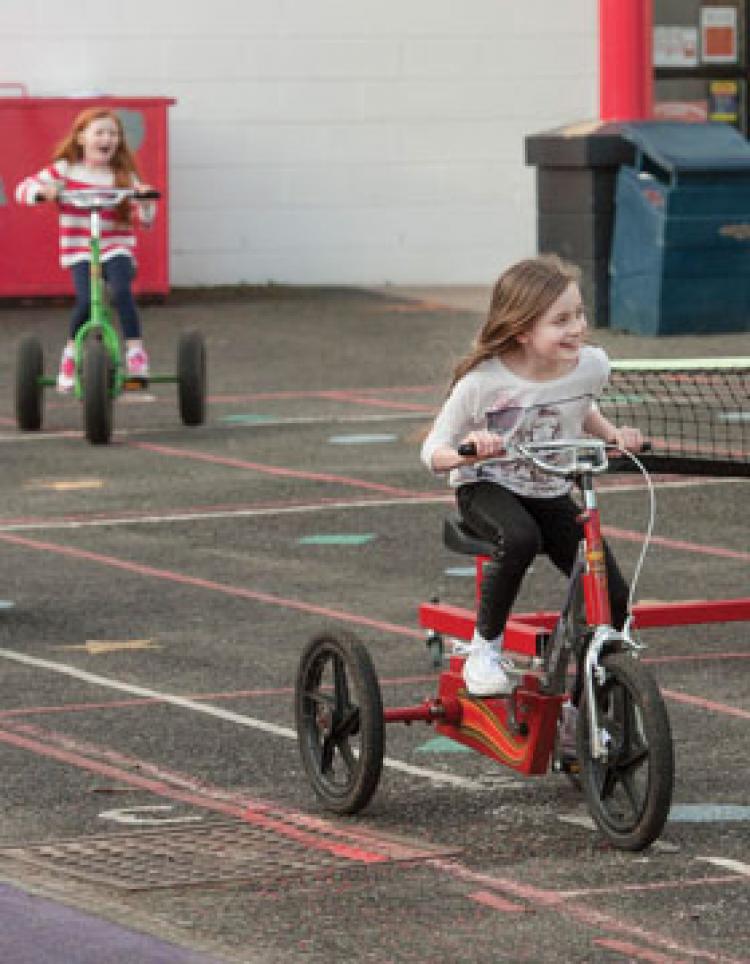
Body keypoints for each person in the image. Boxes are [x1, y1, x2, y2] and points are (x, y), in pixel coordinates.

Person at [421, 254, 642, 698]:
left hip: (548, 485)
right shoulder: (483, 383)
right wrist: (468, 452)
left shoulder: (591, 366)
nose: (577, 328)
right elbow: (432, 451)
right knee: (519, 538)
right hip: (487, 485)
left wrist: (613, 434)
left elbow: (581, 406)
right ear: (522, 330)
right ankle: (485, 650)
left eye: (579, 314)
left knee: (614, 597)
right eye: (560, 321)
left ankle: (587, 697)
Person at [15, 107, 157, 391]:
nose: (108, 139)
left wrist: (145, 201)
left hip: (116, 247)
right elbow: (23, 189)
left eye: (113, 133)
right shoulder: (66, 169)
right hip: (80, 249)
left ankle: (135, 353)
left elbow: (146, 221)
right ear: (81, 137)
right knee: (84, 301)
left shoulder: (122, 175)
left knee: (120, 291)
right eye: (100, 132)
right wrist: (42, 192)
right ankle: (70, 354)